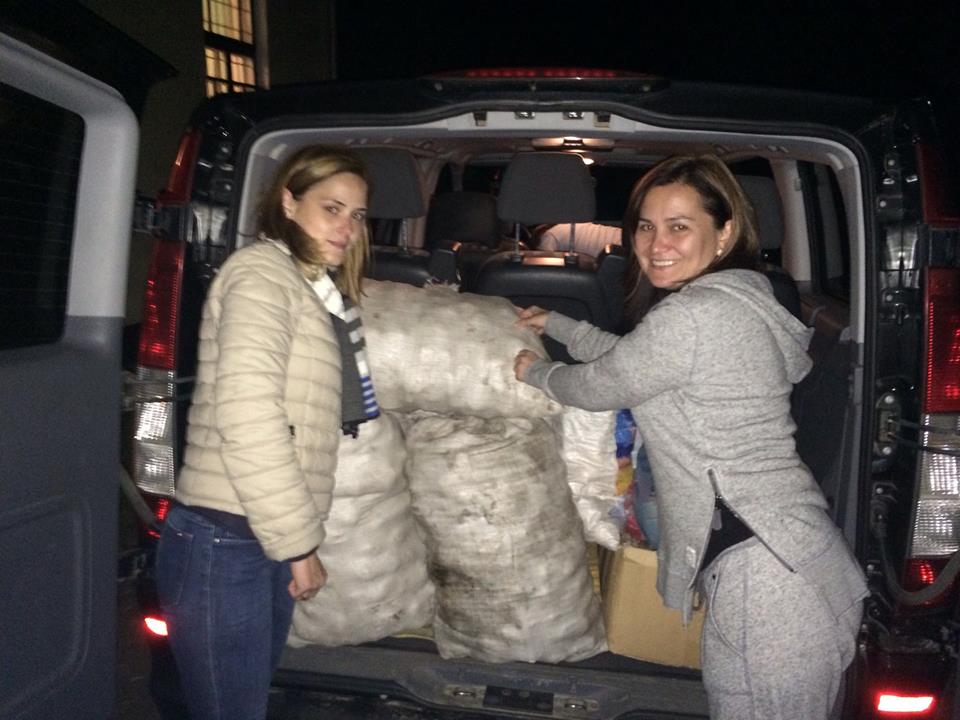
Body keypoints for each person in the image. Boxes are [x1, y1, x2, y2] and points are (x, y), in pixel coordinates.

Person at [513, 155, 867, 720]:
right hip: (759, 557)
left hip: (772, 573)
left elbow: (601, 385)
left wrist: (536, 372)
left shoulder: (696, 314)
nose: (656, 245)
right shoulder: (733, 300)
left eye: (679, 226)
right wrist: (559, 325)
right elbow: (635, 362)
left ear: (724, 232)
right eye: (645, 226)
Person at [155, 145, 378, 720]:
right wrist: (299, 546)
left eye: (357, 215)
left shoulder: (313, 290)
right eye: (332, 208)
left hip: (256, 532)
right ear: (289, 201)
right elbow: (248, 415)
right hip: (225, 538)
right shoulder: (261, 275)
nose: (347, 228)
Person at [536, 221, 622, 256]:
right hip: (620, 236)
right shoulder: (574, 223)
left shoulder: (549, 234)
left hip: (618, 249)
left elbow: (547, 263)